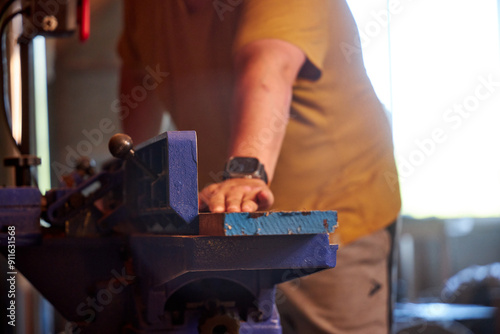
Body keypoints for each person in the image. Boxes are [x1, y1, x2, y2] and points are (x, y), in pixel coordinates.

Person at [117, 0, 401, 332]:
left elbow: (270, 64)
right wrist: (129, 179)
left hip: (332, 217)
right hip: (227, 225)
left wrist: (244, 173)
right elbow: (140, 79)